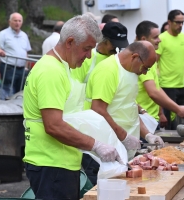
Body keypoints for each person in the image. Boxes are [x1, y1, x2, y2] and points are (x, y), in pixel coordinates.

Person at [23, 14, 120, 200]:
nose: (89, 55)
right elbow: (54, 125)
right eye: (87, 49)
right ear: (70, 42)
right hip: (51, 165)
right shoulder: (51, 71)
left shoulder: (62, 66)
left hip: (61, 163)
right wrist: (95, 144)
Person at [83, 41, 165, 184]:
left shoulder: (132, 71)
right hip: (103, 150)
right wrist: (125, 136)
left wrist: (147, 134)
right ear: (135, 57)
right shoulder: (108, 71)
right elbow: (98, 109)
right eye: (145, 67)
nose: (144, 72)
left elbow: (129, 107)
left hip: (122, 150)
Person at [135, 20, 184, 129]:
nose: (159, 40)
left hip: (151, 118)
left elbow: (156, 87)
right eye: (155, 37)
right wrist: (177, 109)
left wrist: (160, 112)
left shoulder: (149, 59)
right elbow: (153, 92)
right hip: (144, 120)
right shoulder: (141, 60)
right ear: (144, 39)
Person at [156, 9, 184, 129]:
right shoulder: (161, 39)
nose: (180, 25)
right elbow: (154, 63)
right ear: (169, 22)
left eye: (182, 23)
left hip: (182, 86)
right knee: (170, 125)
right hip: (167, 86)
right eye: (177, 22)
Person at [0, 12, 32, 100]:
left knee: (19, 93)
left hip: (21, 69)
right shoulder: (3, 34)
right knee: (7, 92)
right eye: (15, 20)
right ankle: (4, 111)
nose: (17, 23)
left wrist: (26, 68)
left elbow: (26, 52)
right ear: (10, 22)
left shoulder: (24, 35)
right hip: (8, 68)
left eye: (19, 21)